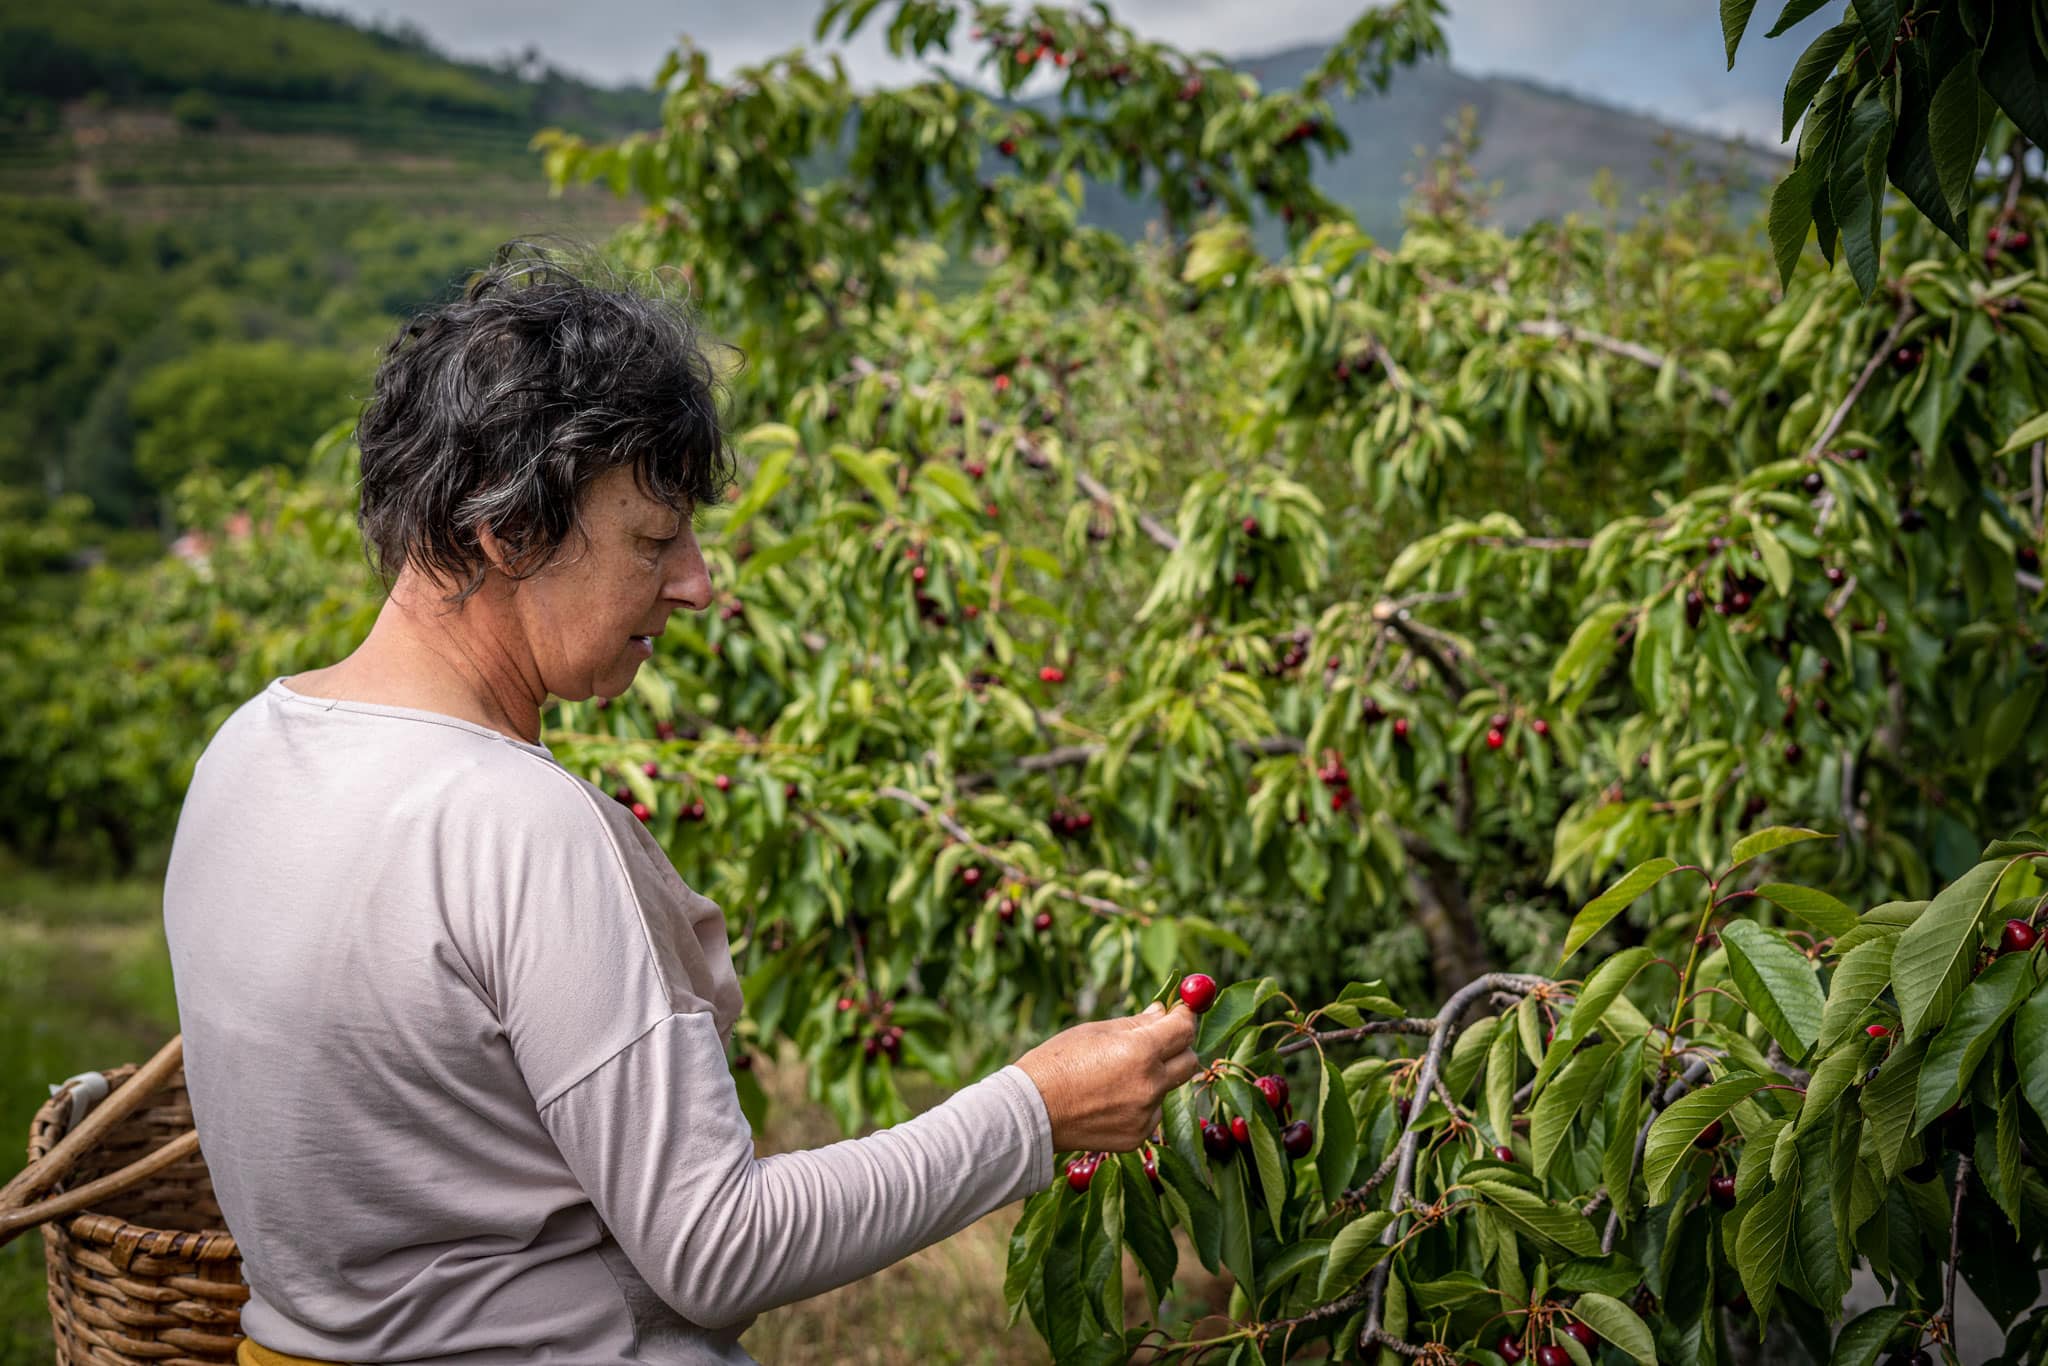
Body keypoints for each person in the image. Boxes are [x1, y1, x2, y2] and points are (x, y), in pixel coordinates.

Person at [162, 243, 1201, 1365]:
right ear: (502, 530)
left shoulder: (247, 751)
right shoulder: (515, 825)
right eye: (652, 541)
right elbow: (718, 1246)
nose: (698, 582)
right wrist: (1030, 1113)